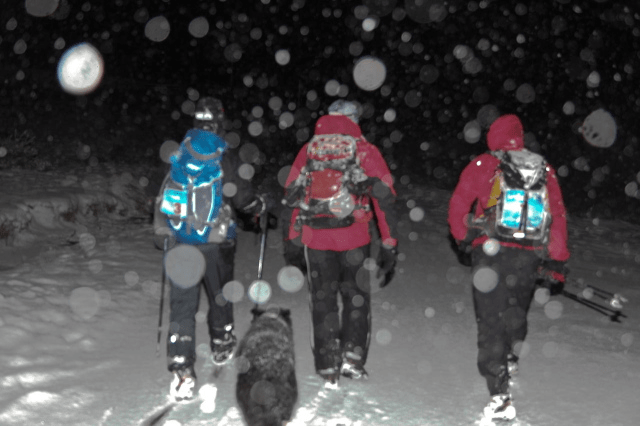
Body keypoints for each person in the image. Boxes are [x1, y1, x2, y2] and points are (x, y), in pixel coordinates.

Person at [448, 114, 570, 421]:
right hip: (529, 255)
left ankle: (499, 393)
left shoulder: (484, 164)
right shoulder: (543, 168)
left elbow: (458, 204)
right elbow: (557, 215)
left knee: (490, 320)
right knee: (516, 310)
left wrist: (463, 237)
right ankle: (512, 355)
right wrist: (556, 258)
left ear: (494, 136)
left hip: (490, 252)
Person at [154, 96, 269, 400]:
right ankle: (221, 343)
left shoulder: (178, 152)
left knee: (182, 306)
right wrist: (257, 206)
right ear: (220, 121)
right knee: (220, 294)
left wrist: (165, 229)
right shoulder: (224, 155)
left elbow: (162, 195)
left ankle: (182, 368)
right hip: (217, 241)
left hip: (181, 241)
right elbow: (242, 198)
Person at [282, 99, 399, 388]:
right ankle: (352, 359)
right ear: (354, 120)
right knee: (356, 299)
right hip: (355, 239)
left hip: (315, 239)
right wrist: (389, 242)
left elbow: (293, 195)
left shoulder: (309, 150)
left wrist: (292, 240)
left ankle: (327, 364)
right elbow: (384, 197)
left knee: (322, 301)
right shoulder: (364, 150)